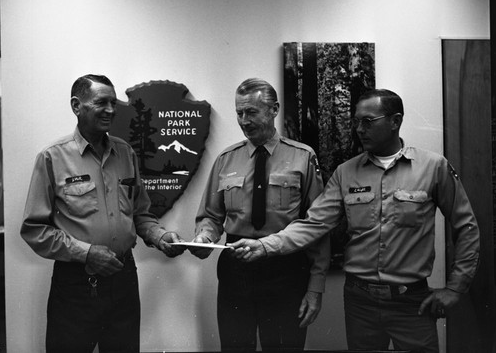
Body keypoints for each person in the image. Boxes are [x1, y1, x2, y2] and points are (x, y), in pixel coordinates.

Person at [229, 88, 480, 353]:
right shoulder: (346, 173)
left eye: (368, 121)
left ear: (395, 121)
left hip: (411, 303)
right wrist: (266, 245)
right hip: (361, 304)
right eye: (356, 121)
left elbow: (466, 227)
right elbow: (314, 223)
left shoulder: (433, 167)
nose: (359, 129)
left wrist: (456, 288)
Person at [20, 74, 187, 353]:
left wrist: (161, 237)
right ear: (77, 105)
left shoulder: (125, 153)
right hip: (76, 284)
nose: (111, 109)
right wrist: (86, 253)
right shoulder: (52, 157)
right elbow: (34, 229)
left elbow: (140, 214)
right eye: (101, 102)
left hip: (123, 279)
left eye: (113, 102)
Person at [190, 78, 330, 353]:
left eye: (251, 112)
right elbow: (211, 215)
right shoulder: (227, 159)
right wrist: (204, 237)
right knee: (235, 346)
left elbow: (318, 226)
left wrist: (316, 288)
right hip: (236, 269)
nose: (244, 120)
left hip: (286, 268)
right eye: (239, 112)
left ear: (274, 109)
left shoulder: (303, 158)